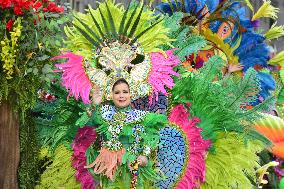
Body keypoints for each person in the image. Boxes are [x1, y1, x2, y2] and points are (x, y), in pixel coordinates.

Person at [81, 78, 167, 189]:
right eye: (117, 92)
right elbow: (86, 123)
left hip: (132, 165)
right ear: (111, 95)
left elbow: (151, 136)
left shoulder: (141, 116)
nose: (121, 95)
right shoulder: (104, 113)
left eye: (125, 92)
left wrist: (145, 156)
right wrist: (94, 105)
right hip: (110, 166)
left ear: (131, 94)